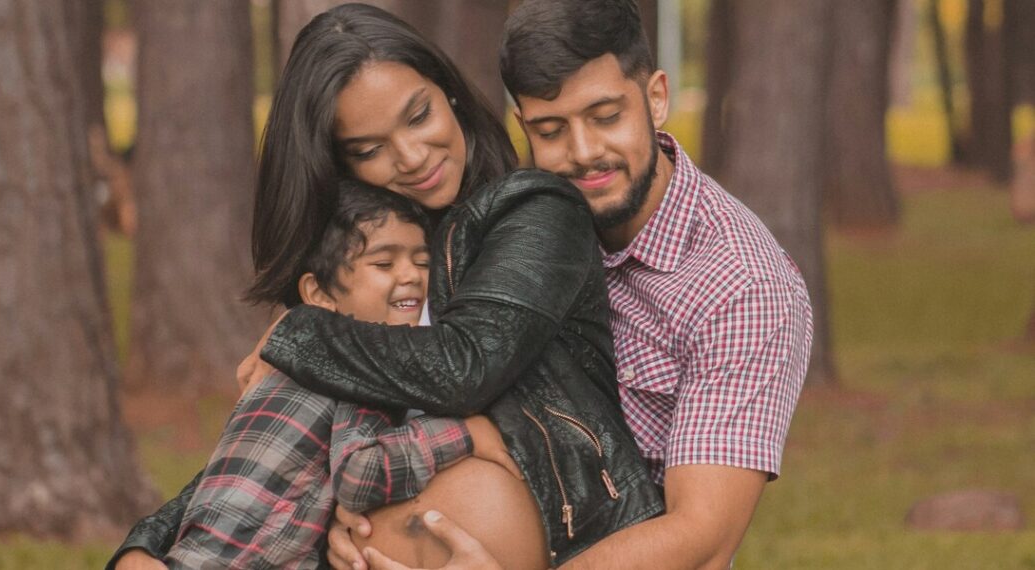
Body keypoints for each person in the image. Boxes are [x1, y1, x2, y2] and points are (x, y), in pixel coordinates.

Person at [108, 3, 663, 569]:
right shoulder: (365, 273)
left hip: (571, 541)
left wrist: (301, 329)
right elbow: (279, 440)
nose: (412, 156)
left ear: (447, 92)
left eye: (418, 115)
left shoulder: (535, 210)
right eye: (369, 149)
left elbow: (465, 366)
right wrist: (149, 542)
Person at [334, 1, 814, 568]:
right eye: (551, 129)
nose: (584, 153)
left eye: (606, 115)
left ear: (656, 97)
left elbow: (701, 541)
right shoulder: (519, 217)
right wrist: (348, 521)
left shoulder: (741, 286)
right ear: (524, 127)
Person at [157, 181, 524, 568]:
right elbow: (359, 476)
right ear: (318, 294)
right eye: (384, 263)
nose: (412, 275)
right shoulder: (361, 366)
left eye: (422, 261)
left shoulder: (284, 369)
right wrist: (467, 435)